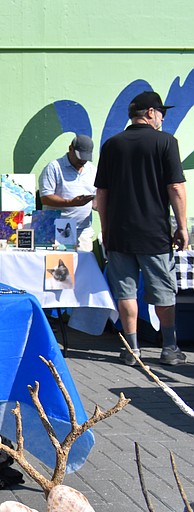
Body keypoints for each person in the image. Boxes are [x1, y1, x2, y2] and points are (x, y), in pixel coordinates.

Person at [95, 91, 189, 366]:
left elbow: (102, 192)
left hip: (120, 233)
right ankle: (169, 348)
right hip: (154, 233)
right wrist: (182, 226)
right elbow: (176, 187)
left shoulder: (112, 145)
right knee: (163, 291)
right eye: (161, 112)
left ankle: (132, 348)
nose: (162, 117)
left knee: (125, 292)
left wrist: (106, 229)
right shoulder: (166, 142)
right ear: (150, 112)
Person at [39, 134, 97, 251]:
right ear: (70, 148)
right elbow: (45, 198)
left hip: (83, 231)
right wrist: (71, 202)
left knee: (82, 267)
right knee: (56, 267)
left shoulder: (92, 170)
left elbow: (96, 200)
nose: (83, 161)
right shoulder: (54, 167)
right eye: (79, 157)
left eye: (86, 158)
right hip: (56, 229)